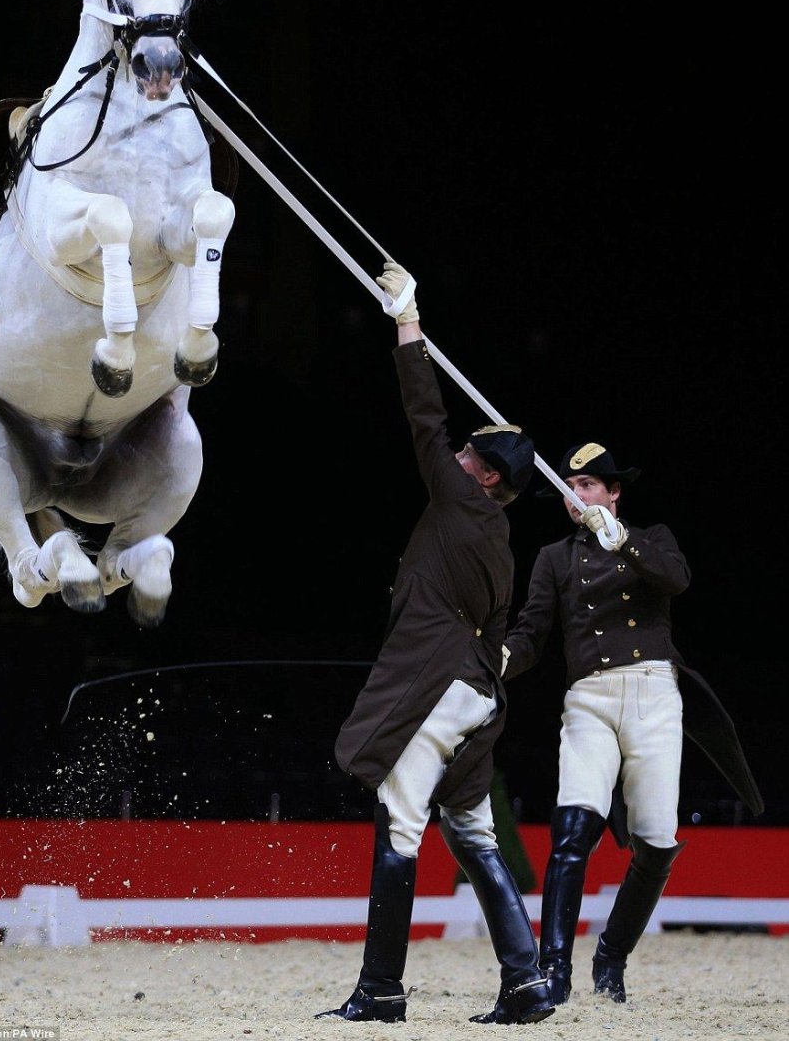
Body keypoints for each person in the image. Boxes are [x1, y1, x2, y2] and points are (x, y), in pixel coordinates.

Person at [316, 262, 554, 1027]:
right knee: (474, 833)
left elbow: (424, 418)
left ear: (484, 478)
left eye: (468, 459)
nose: (455, 461)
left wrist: (407, 320)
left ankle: (381, 990)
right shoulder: (500, 540)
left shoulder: (459, 498)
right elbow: (502, 630)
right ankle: (524, 984)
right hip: (480, 695)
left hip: (442, 689)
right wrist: (499, 663)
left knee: (399, 822)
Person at [503, 442, 764, 1005]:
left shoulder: (653, 539)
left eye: (589, 486)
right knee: (572, 829)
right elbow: (532, 632)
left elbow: (676, 579)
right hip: (590, 698)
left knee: (657, 839)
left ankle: (611, 956)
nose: (578, 497)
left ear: (614, 492)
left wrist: (622, 539)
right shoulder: (552, 557)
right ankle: (554, 972)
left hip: (652, 695)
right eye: (571, 488)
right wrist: (500, 658)